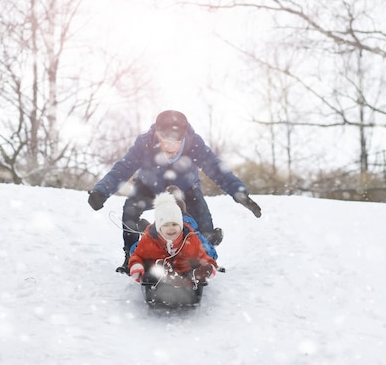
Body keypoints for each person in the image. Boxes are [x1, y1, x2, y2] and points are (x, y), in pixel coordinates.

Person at [87, 110, 261, 274]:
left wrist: (239, 193)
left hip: (185, 190)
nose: (170, 148)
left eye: (176, 142)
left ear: (183, 138)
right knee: (130, 210)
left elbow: (216, 168)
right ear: (157, 135)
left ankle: (206, 258)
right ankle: (131, 257)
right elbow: (123, 168)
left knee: (202, 221)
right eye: (166, 141)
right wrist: (101, 191)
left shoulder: (194, 144)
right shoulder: (145, 143)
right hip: (149, 187)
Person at [128, 192, 217, 287]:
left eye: (174, 224)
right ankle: (166, 275)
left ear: (181, 225)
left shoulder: (190, 238)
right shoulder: (150, 239)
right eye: (165, 225)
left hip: (185, 275)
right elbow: (137, 255)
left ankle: (192, 279)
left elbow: (203, 256)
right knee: (154, 270)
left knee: (197, 266)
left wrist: (208, 266)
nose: (171, 228)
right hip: (158, 278)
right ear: (159, 227)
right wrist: (136, 266)